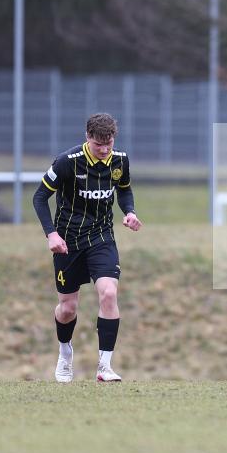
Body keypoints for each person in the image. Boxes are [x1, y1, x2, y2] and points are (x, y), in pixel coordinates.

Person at [32, 113, 141, 383]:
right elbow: (39, 197)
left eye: (109, 143)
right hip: (67, 243)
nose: (104, 150)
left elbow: (124, 190)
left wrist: (129, 212)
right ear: (87, 138)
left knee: (108, 293)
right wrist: (51, 235)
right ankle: (65, 352)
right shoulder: (66, 162)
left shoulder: (120, 160)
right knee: (67, 309)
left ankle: (104, 367)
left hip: (102, 237)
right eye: (98, 145)